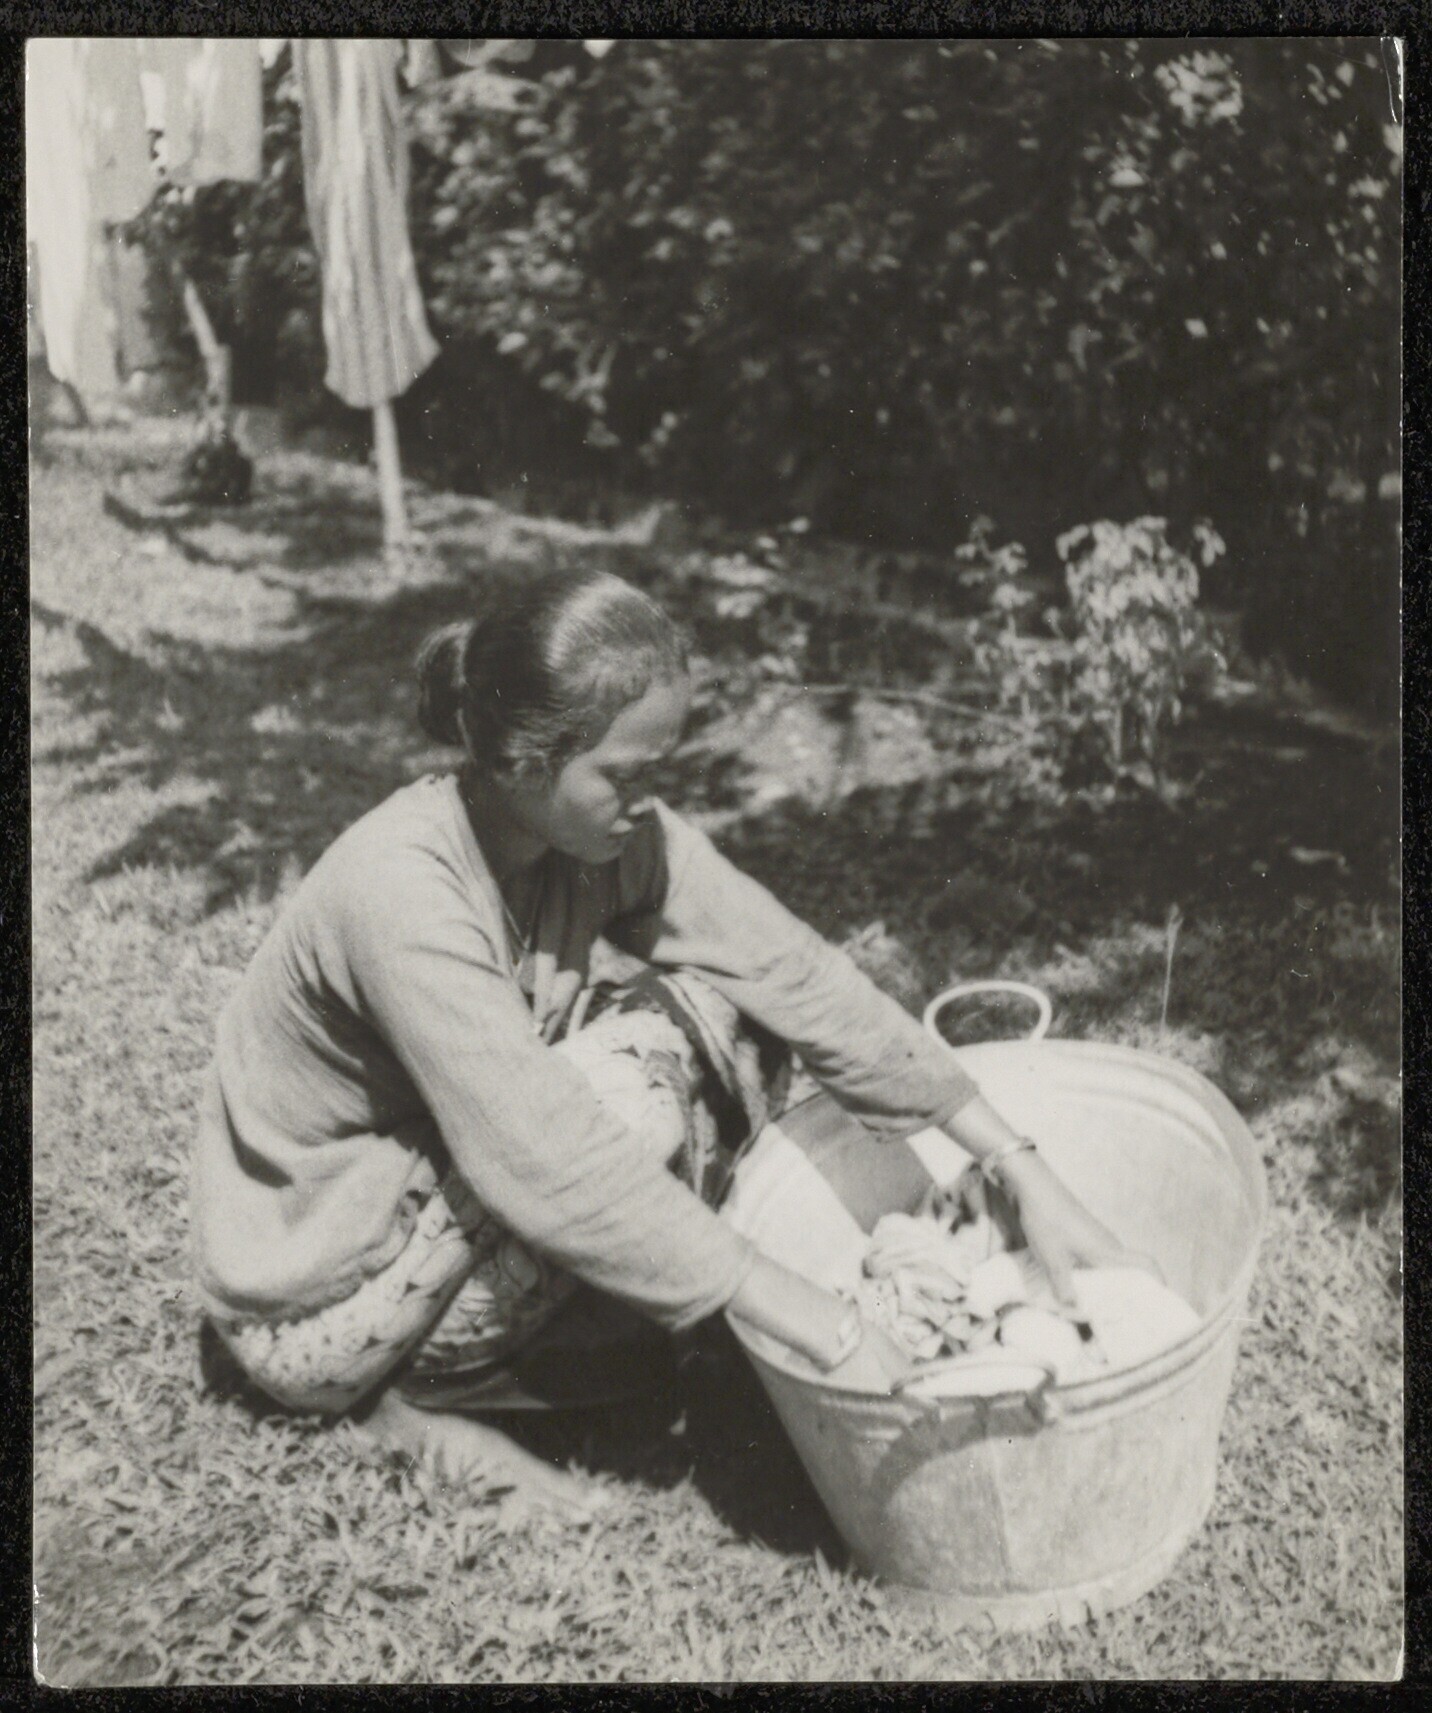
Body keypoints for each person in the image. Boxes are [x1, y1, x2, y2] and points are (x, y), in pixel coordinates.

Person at [192, 567, 1147, 1519]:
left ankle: (592, 1344)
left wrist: (1021, 1166)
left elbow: (791, 971)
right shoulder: (402, 891)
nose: (647, 800)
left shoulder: (596, 836)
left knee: (732, 1011)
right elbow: (549, 1158)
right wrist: (829, 1326)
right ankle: (405, 1401)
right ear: (523, 760)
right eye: (625, 774)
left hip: (428, 1207)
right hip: (315, 1303)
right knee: (631, 1094)